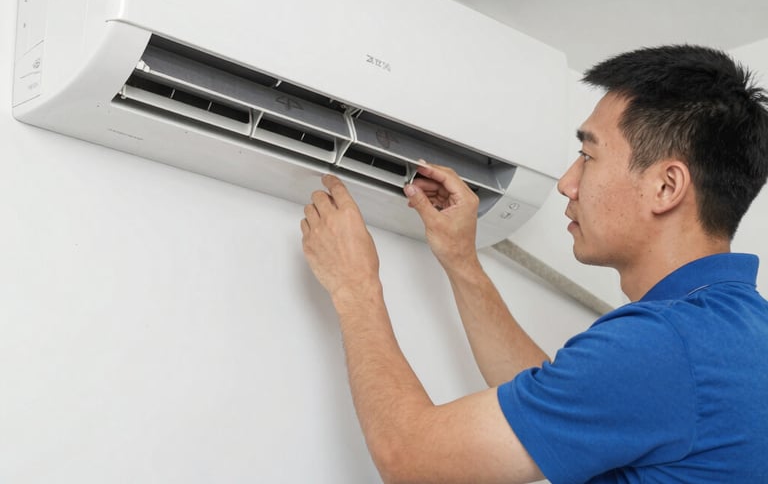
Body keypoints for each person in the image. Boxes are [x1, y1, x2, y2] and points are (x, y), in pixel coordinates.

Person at [300, 44, 768, 483]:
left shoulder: (662, 345)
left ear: (666, 187)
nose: (567, 183)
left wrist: (355, 289)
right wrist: (462, 261)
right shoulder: (735, 332)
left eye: (588, 155)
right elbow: (558, 409)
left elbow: (410, 458)